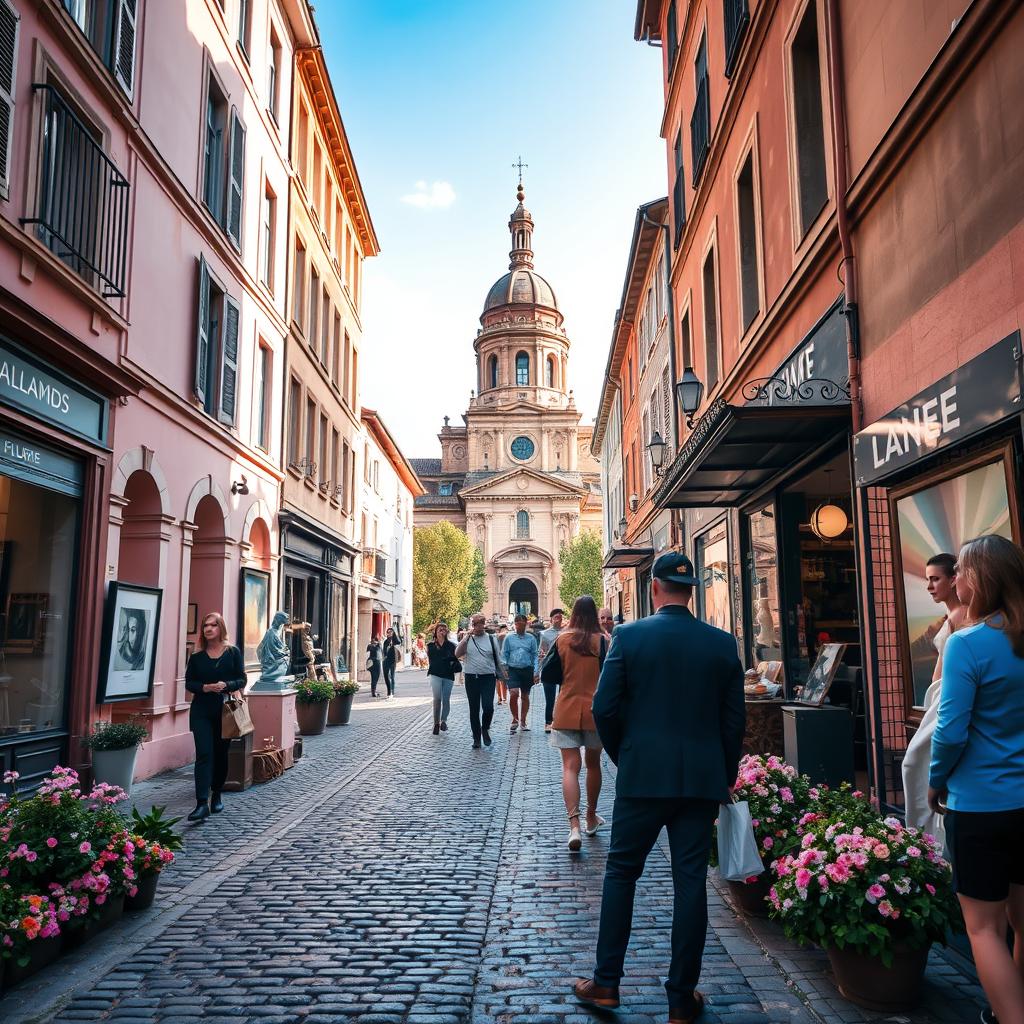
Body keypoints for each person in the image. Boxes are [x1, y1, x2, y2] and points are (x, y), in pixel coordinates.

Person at [575, 551, 745, 1023]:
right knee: (690, 882)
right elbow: (735, 722)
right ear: (690, 590)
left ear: (654, 588)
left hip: (642, 777)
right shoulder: (720, 643)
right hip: (698, 781)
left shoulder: (629, 637)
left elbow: (604, 709)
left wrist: (621, 755)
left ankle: (606, 981)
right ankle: (680, 999)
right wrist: (723, 774)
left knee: (621, 873)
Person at [928, 535, 1024, 1024]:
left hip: (981, 803)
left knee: (984, 928)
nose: (957, 578)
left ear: (982, 577)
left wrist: (934, 781)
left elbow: (949, 731)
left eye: (962, 569)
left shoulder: (969, 642)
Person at [902, 552, 968, 847]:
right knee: (916, 763)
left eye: (935, 578)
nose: (929, 586)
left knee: (915, 763)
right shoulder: (948, 616)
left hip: (947, 699)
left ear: (954, 579)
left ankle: (928, 842)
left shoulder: (963, 615)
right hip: (938, 699)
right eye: (928, 579)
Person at [548, 595, 608, 850]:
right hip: (596, 711)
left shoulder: (562, 639)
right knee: (593, 764)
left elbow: (550, 674)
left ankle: (574, 827)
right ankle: (590, 817)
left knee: (570, 767)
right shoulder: (603, 640)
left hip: (567, 709)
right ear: (595, 614)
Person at [184, 612, 247, 823]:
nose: (208, 629)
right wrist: (205, 687)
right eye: (205, 626)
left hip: (225, 710)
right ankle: (202, 803)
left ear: (221, 628)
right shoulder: (196, 658)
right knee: (204, 755)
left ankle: (217, 793)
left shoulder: (232, 653)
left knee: (221, 755)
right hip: (201, 710)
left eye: (213, 625)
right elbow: (189, 683)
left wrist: (226, 686)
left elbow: (242, 679)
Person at [455, 614, 506, 749]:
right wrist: (466, 637)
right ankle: (476, 738)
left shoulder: (491, 638)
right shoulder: (468, 639)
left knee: (488, 707)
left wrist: (503, 672)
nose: (478, 626)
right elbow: (457, 653)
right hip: (472, 677)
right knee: (474, 708)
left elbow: (498, 657)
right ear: (472, 625)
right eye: (475, 624)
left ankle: (485, 728)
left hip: (488, 677)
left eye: (480, 623)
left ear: (484, 624)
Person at [501, 614, 539, 734]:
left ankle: (523, 721)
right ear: (515, 624)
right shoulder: (509, 638)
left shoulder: (531, 639)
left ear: (526, 624)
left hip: (527, 669)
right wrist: (504, 668)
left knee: (525, 696)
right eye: (518, 624)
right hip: (513, 669)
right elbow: (504, 654)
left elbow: (535, 655)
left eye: (523, 624)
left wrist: (536, 670)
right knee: (513, 693)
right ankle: (515, 718)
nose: (520, 627)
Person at [426, 622, 460, 735]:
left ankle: (443, 720)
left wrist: (448, 658)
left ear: (447, 632)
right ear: (435, 632)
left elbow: (454, 658)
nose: (442, 631)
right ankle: (436, 723)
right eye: (440, 629)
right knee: (437, 699)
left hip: (448, 675)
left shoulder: (451, 645)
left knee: (446, 699)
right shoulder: (430, 645)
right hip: (435, 674)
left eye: (444, 630)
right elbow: (432, 658)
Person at [538, 608, 565, 734]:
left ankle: (560, 720)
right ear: (551, 619)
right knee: (549, 698)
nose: (559, 619)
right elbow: (541, 653)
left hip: (564, 668)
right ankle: (548, 722)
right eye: (556, 617)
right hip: (549, 668)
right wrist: (537, 671)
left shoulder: (567, 633)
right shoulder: (544, 634)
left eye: (560, 617)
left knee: (562, 697)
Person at [382, 627, 401, 698]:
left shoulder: (396, 641)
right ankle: (388, 690)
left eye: (390, 632)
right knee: (386, 676)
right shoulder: (386, 641)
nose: (389, 633)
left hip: (393, 661)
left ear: (393, 633)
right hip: (386, 661)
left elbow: (399, 646)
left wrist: (393, 642)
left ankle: (391, 692)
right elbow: (383, 651)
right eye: (388, 632)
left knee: (392, 676)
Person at [495, 625, 510, 706]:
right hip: (498, 661)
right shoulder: (497, 637)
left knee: (503, 681)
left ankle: (503, 698)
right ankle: (500, 698)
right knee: (499, 680)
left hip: (506, 662)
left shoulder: (509, 638)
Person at [366, 634, 382, 698]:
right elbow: (381, 654)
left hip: (370, 663)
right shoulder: (378, 646)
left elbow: (367, 654)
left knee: (373, 678)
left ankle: (373, 692)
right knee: (376, 678)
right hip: (376, 663)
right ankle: (373, 692)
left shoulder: (369, 646)